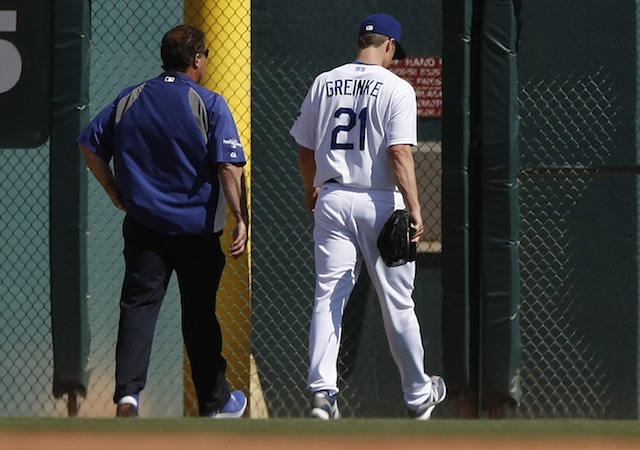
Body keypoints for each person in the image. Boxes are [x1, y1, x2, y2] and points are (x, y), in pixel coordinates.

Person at [77, 25, 249, 418]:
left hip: (145, 228)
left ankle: (127, 397)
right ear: (198, 60)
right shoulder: (210, 102)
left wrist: (113, 190)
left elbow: (90, 144)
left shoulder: (131, 97)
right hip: (195, 230)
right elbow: (228, 166)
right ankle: (215, 402)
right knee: (199, 313)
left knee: (138, 307)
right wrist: (241, 218)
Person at [290, 13, 446, 420]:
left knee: (329, 295)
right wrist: (415, 208)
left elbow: (305, 149)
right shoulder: (397, 87)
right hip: (382, 202)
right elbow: (399, 154)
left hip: (334, 198)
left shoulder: (324, 82)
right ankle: (418, 394)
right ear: (390, 45)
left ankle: (322, 394)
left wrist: (312, 188)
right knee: (397, 303)